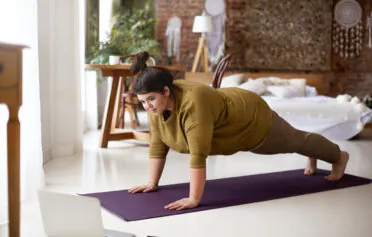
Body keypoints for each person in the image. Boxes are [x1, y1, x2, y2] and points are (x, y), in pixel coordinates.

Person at [128, 52, 349, 211]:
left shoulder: (194, 103)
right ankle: (312, 151)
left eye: (150, 100)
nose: (147, 106)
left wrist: (194, 198)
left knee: (294, 141)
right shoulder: (156, 105)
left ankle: (338, 156)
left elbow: (198, 154)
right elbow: (158, 143)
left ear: (166, 91)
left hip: (251, 118)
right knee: (297, 140)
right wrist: (152, 183)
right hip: (234, 116)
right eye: (143, 102)